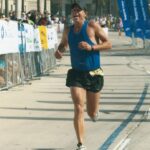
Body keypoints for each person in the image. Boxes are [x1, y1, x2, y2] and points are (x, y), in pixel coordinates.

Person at [55, 2, 112, 150]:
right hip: (76, 74)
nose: (75, 13)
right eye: (73, 11)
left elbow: (108, 44)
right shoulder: (68, 30)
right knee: (79, 107)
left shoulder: (92, 26)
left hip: (94, 73)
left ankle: (94, 113)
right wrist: (59, 51)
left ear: (85, 13)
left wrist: (92, 47)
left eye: (78, 11)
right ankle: (81, 144)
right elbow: (63, 44)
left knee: (91, 113)